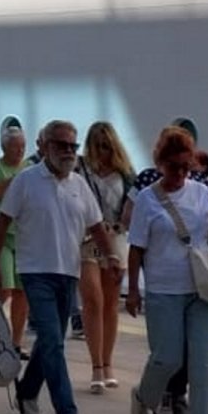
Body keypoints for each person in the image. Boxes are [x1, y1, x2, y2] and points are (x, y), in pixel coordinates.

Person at [0, 120, 114, 414]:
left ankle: (27, 392)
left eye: (73, 146)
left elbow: (97, 225)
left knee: (50, 341)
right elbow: (1, 224)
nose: (69, 152)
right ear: (43, 146)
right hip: (34, 271)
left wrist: (111, 256)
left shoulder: (79, 185)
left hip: (68, 273)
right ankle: (67, 412)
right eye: (61, 145)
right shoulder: (26, 181)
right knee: (54, 342)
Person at [125, 125, 208, 414]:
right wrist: (134, 289)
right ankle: (144, 396)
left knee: (203, 361)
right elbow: (136, 246)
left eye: (188, 167)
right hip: (163, 287)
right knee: (166, 357)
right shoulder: (147, 199)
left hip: (201, 286)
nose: (182, 174)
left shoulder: (201, 193)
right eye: (175, 167)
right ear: (160, 164)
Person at [79, 121, 136, 392]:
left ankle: (108, 362)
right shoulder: (82, 170)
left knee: (111, 303)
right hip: (86, 238)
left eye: (106, 146)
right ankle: (96, 367)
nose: (102, 152)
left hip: (115, 236)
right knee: (93, 299)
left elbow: (133, 203)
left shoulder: (125, 174)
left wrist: (124, 224)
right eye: (97, 146)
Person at [0, 126, 34, 345]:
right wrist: (13, 181)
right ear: (4, 147)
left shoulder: (30, 167)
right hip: (0, 235)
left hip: (23, 237)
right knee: (4, 288)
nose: (19, 151)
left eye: (22, 146)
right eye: (15, 146)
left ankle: (16, 342)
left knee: (22, 291)